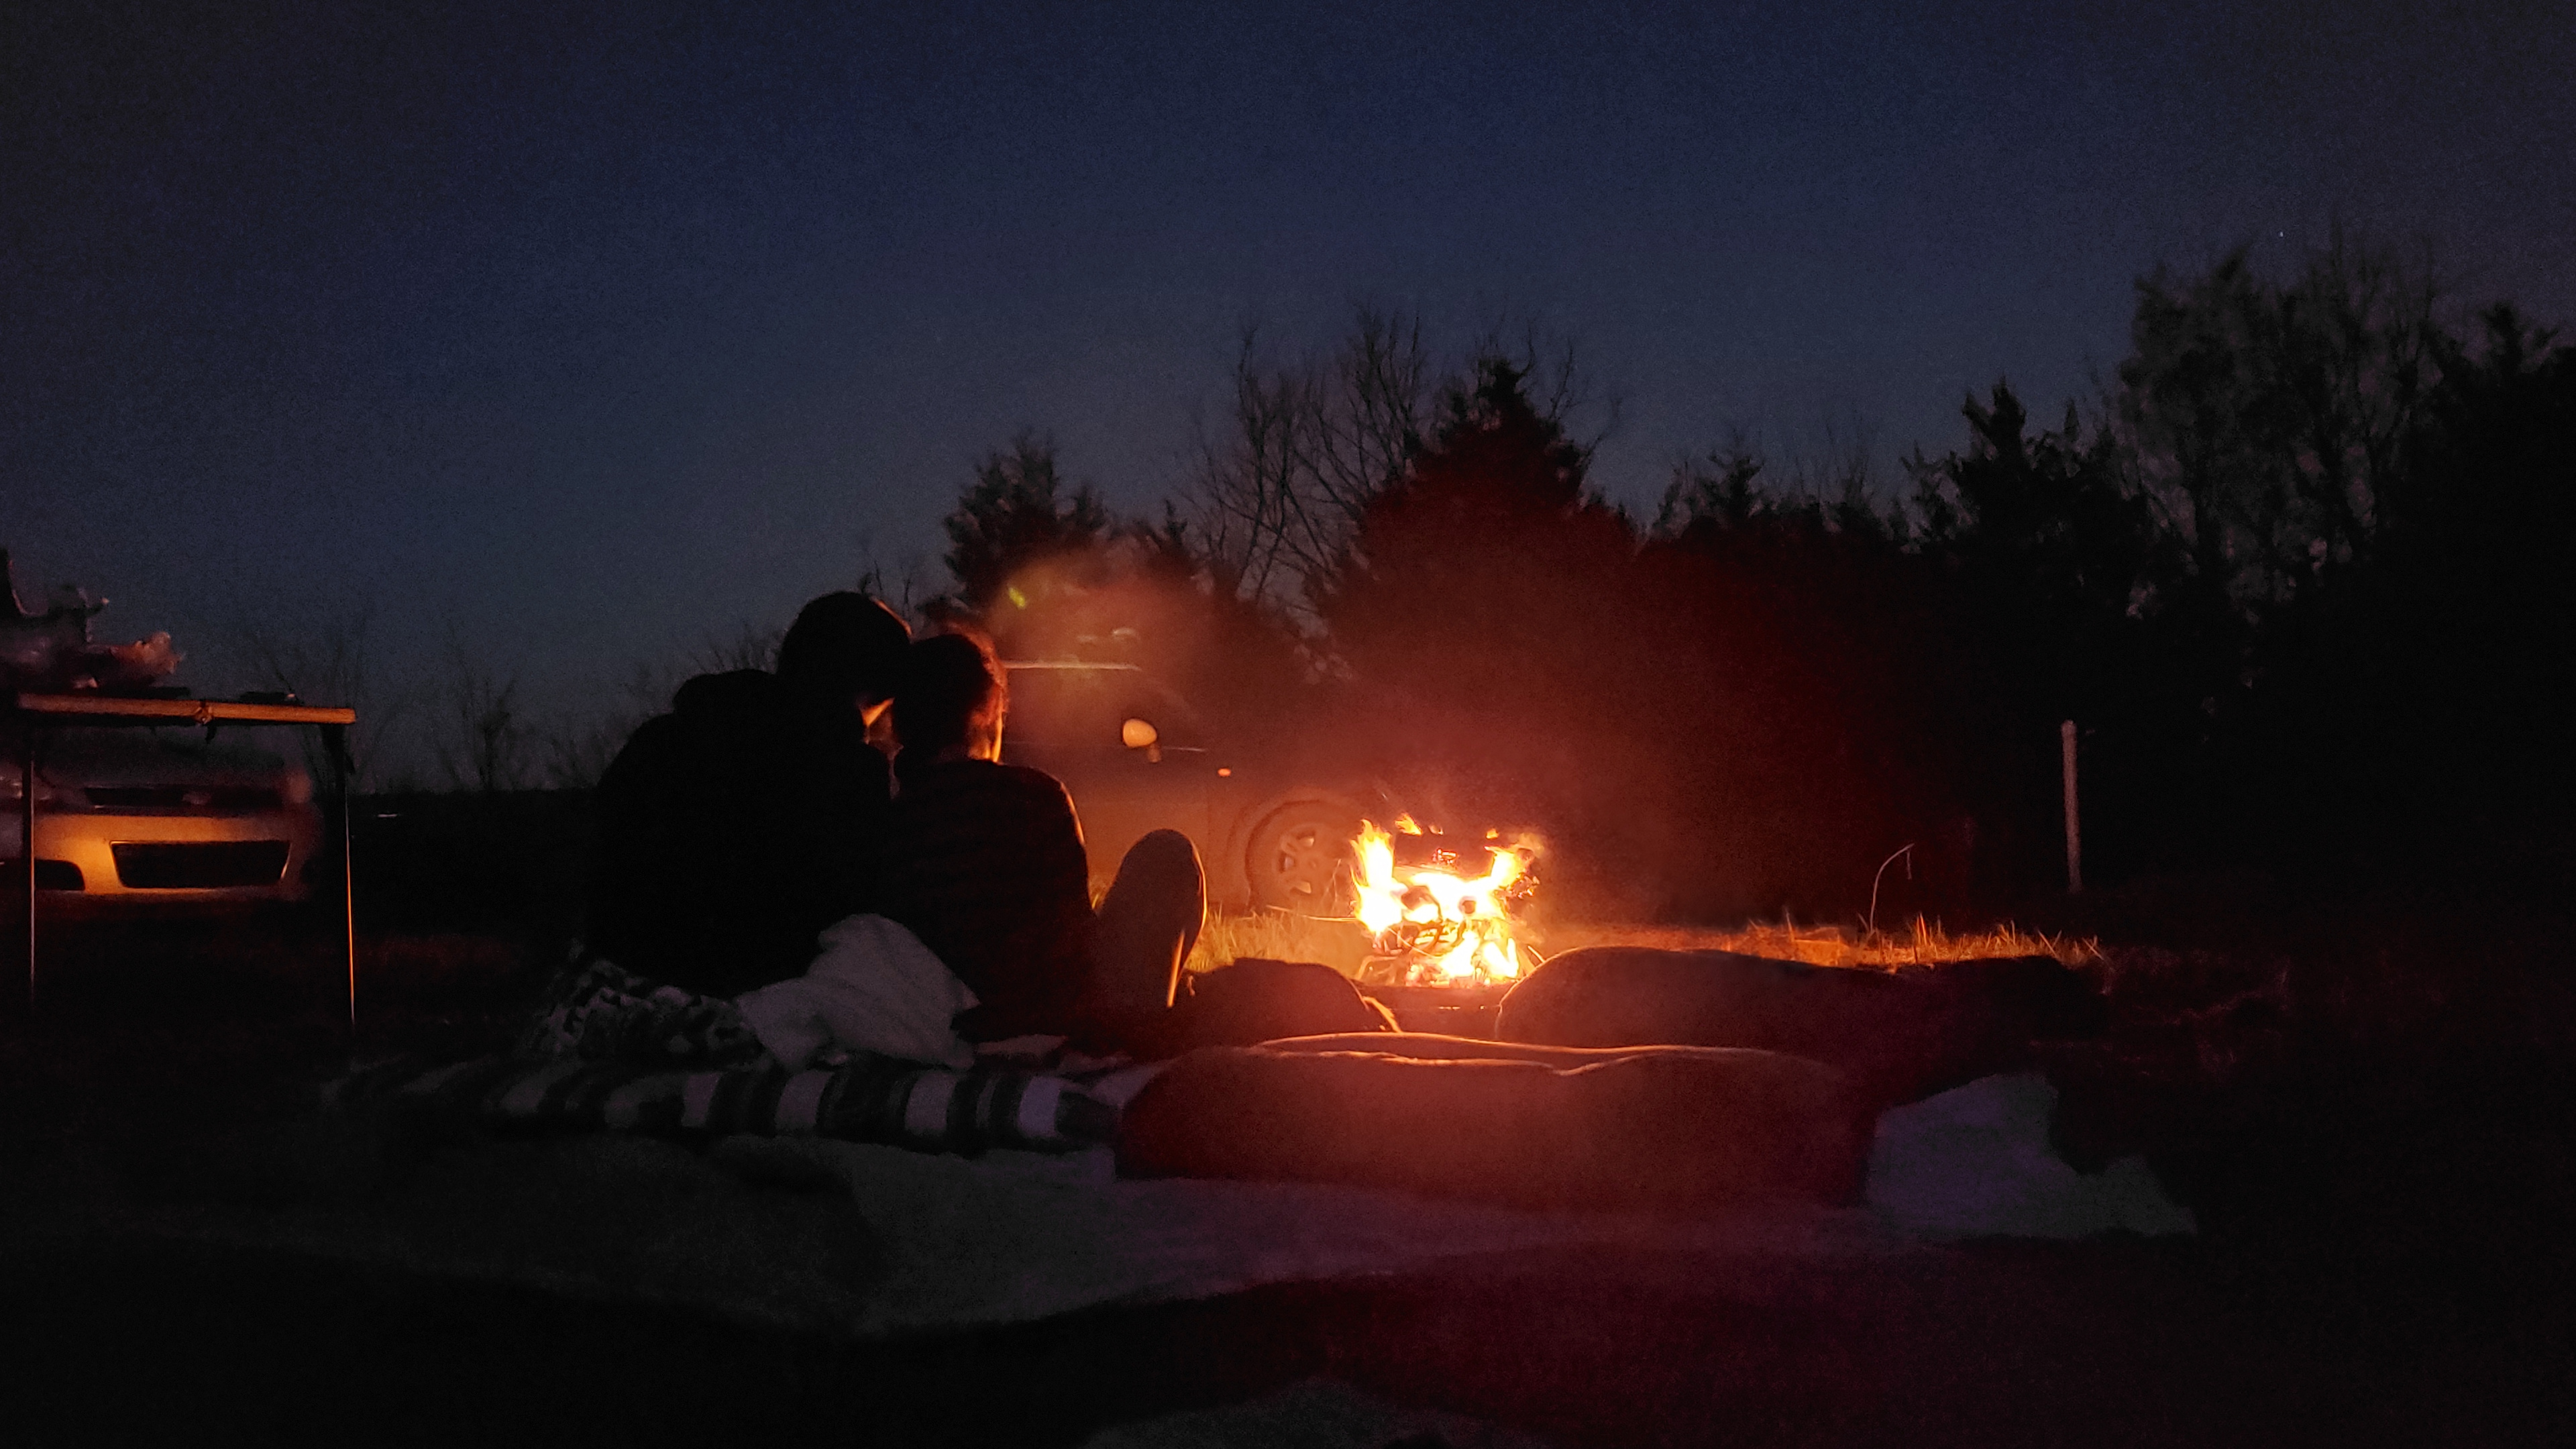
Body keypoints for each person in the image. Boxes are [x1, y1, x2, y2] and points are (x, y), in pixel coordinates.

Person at [877, 631, 1205, 1051]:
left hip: (936, 1014)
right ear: (988, 708)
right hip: (1038, 1013)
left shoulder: (888, 809)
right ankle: (1137, 1037)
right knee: (1167, 854)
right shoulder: (1032, 796)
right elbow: (1072, 935)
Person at [586, 592, 912, 998]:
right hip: (757, 1009)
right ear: (872, 693)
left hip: (623, 995)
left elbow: (597, 862)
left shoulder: (664, 739)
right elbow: (849, 914)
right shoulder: (846, 775)